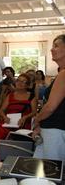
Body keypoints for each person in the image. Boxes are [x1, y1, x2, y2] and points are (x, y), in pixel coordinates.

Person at [33, 34, 65, 162]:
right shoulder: (60, 73)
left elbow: (51, 107)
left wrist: (37, 119)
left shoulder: (63, 74)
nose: (52, 49)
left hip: (55, 131)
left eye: (56, 46)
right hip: (52, 129)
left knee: (51, 172)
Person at [0, 73, 37, 141]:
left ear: (27, 85)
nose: (20, 83)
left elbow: (34, 112)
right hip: (9, 122)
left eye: (23, 81)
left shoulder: (32, 96)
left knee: (20, 132)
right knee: (1, 128)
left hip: (23, 122)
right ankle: (0, 149)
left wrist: (25, 117)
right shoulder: (10, 95)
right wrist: (4, 117)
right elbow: (1, 110)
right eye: (18, 80)